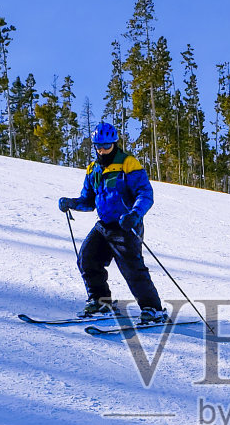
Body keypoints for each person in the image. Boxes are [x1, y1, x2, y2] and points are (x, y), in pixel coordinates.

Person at [57, 123, 167, 323]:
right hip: (105, 224)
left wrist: (135, 214)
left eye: (106, 146)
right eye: (98, 146)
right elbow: (88, 201)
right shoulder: (93, 169)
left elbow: (145, 194)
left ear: (114, 144)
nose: (102, 150)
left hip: (126, 225)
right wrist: (72, 203)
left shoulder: (128, 163)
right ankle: (101, 302)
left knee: (131, 268)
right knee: (87, 259)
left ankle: (153, 308)